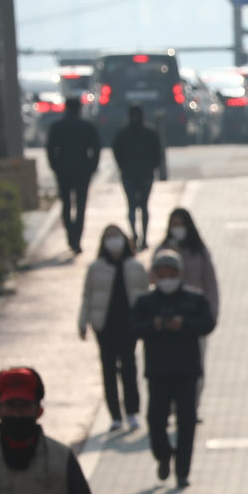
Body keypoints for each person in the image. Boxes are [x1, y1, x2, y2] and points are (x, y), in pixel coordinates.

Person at [133, 248, 216, 489]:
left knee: (187, 422)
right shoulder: (146, 302)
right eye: (162, 273)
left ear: (180, 274)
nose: (166, 277)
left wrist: (185, 324)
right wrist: (155, 325)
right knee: (155, 420)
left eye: (171, 272)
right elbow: (134, 328)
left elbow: (208, 323)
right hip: (158, 372)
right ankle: (163, 455)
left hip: (186, 371)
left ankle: (182, 471)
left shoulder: (193, 299)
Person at [79, 225, 148, 432]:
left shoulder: (136, 266)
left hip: (129, 325)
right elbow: (87, 297)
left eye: (116, 236)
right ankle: (115, 415)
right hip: (104, 326)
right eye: (108, 237)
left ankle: (132, 412)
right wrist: (82, 322)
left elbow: (145, 296)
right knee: (108, 369)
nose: (113, 241)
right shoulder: (95, 268)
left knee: (129, 367)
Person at [44, 97, 102, 254]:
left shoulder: (57, 126)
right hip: (83, 170)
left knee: (66, 204)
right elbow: (96, 149)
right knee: (81, 205)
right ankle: (76, 238)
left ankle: (71, 235)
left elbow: (50, 149)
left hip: (63, 170)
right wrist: (92, 167)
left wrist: (55, 167)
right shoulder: (87, 126)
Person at [110, 105, 166, 249]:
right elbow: (158, 154)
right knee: (142, 208)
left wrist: (123, 167)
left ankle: (136, 235)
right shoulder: (150, 132)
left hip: (131, 175)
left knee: (133, 207)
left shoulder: (122, 133)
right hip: (144, 175)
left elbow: (117, 153)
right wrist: (153, 168)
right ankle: (141, 237)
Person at [161, 208, 219, 322]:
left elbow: (210, 284)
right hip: (166, 314)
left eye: (181, 224)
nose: (178, 228)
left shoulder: (199, 252)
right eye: (174, 225)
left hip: (194, 313)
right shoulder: (162, 251)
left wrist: (211, 313)